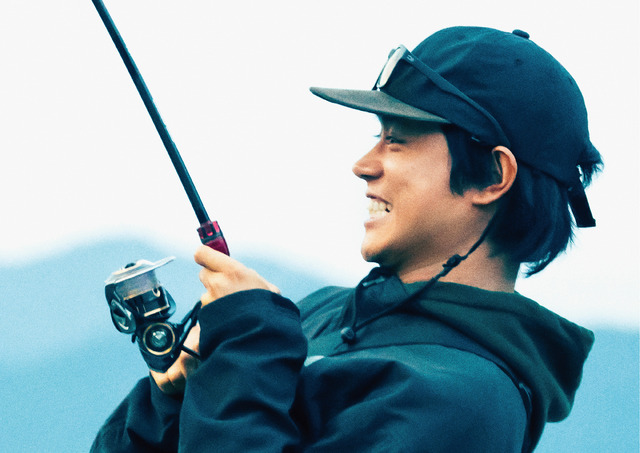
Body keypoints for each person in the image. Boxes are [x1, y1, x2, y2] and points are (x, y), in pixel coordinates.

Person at [91, 26, 602, 452]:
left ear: (492, 176)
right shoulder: (320, 312)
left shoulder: (468, 404)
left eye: (397, 140)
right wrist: (173, 400)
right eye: (376, 135)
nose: (363, 165)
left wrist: (245, 363)